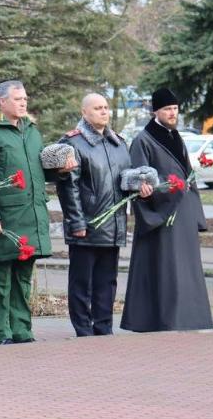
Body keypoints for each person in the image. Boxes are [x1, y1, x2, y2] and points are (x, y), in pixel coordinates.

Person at [0, 80, 74, 346]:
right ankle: (2, 333)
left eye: (25, 98)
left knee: (24, 277)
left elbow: (37, 170)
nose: (24, 103)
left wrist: (60, 170)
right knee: (2, 277)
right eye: (18, 99)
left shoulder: (31, 130)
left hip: (31, 214)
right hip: (5, 217)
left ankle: (22, 331)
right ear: (1, 102)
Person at [121, 88, 213, 332]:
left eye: (175, 109)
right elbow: (138, 180)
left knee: (185, 269)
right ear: (155, 111)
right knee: (165, 269)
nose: (173, 113)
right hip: (161, 216)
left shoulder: (176, 136)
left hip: (182, 214)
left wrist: (196, 215)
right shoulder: (143, 140)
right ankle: (162, 320)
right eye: (167, 109)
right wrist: (163, 193)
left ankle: (189, 319)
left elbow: (188, 175)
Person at [56, 93, 146, 337]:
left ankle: (104, 327)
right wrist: (76, 222)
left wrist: (142, 188)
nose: (104, 112)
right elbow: (68, 187)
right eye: (97, 108)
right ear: (84, 112)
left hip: (113, 224)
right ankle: (83, 330)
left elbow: (126, 180)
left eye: (106, 107)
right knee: (81, 283)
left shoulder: (118, 143)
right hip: (86, 225)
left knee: (108, 282)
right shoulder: (72, 143)